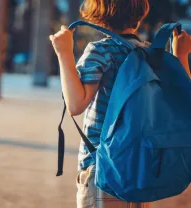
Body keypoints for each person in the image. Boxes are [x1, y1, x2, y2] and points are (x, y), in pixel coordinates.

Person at [49, 0, 191, 207]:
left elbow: (76, 105)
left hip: (104, 167)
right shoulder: (152, 54)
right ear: (141, 13)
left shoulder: (100, 51)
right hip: (143, 164)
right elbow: (180, 101)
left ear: (97, 13)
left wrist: (63, 53)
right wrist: (181, 55)